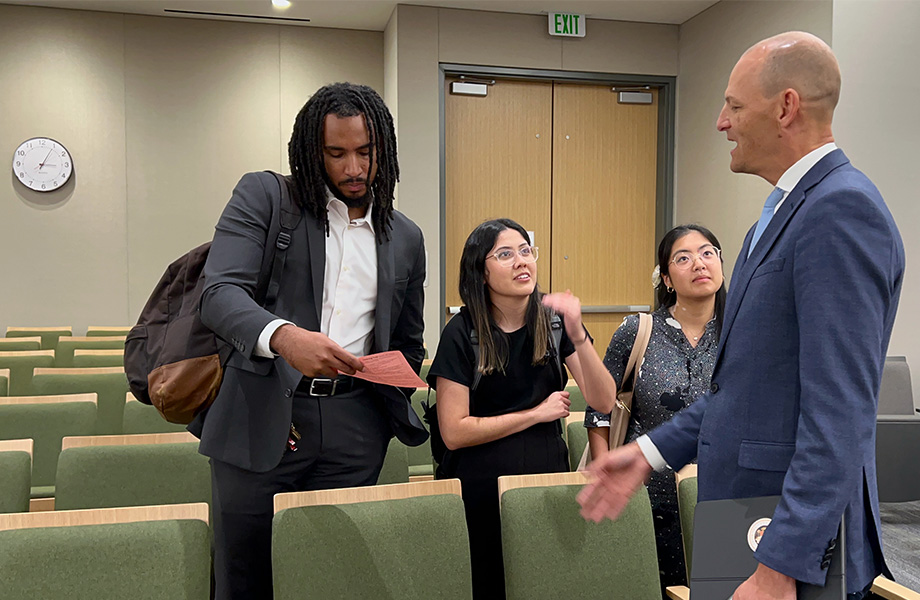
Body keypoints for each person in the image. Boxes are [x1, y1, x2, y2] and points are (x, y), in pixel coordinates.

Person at [579, 31, 903, 600]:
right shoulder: (774, 220)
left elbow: (840, 411)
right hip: (748, 520)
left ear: (786, 107)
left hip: (790, 546)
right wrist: (649, 452)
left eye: (733, 105)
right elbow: (748, 391)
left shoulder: (840, 211)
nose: (721, 122)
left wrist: (781, 565)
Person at [190, 82, 428, 600]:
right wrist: (283, 338)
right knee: (246, 576)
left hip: (355, 428)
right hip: (261, 412)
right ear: (311, 152)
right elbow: (219, 293)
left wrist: (383, 407)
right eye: (336, 154)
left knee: (332, 578)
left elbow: (410, 341)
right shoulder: (266, 197)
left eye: (365, 153)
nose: (353, 168)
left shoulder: (405, 236)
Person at [427, 218, 617, 600]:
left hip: (545, 485)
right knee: (489, 585)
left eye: (526, 251)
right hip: (481, 489)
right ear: (481, 272)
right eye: (505, 254)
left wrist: (579, 333)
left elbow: (604, 400)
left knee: (545, 584)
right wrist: (535, 414)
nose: (521, 262)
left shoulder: (555, 324)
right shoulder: (461, 333)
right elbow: (454, 431)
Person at [583, 223, 726, 594]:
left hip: (721, 497)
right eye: (684, 257)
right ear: (666, 278)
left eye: (708, 253)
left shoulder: (739, 334)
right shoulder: (639, 330)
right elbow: (600, 411)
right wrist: (606, 479)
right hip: (644, 496)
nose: (699, 263)